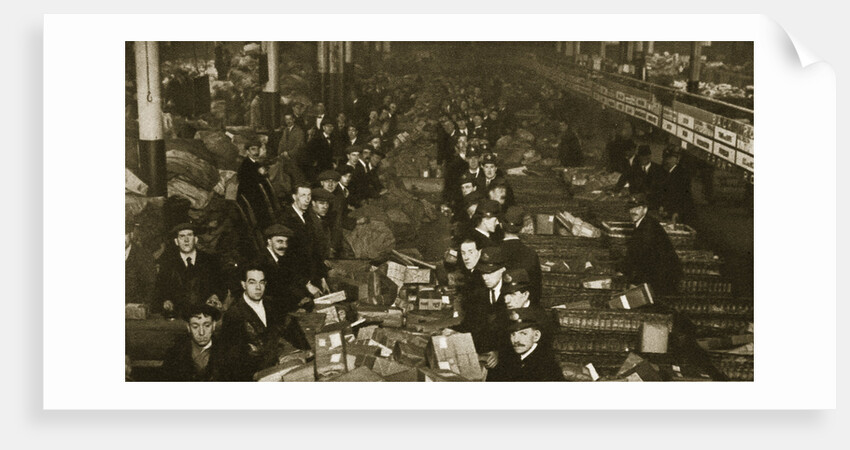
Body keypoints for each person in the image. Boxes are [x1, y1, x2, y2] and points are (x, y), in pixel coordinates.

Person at [221, 263, 310, 380]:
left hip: (280, 367)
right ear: (243, 284)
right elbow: (234, 359)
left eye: (261, 282)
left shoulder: (272, 304)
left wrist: (307, 351)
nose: (258, 287)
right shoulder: (234, 314)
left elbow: (291, 328)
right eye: (252, 282)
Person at [154, 223, 225, 318]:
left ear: (195, 239)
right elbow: (159, 290)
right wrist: (166, 301)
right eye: (182, 236)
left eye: (189, 235)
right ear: (176, 241)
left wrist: (215, 296)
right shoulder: (168, 264)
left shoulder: (210, 261)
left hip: (205, 316)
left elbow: (221, 285)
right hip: (177, 317)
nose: (186, 240)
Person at [160, 303, 240, 381]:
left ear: (214, 325)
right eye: (195, 327)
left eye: (207, 325)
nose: (201, 332)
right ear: (188, 327)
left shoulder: (228, 353)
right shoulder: (175, 354)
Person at [619, 199, 683, 295]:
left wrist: (633, 280)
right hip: (658, 272)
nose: (633, 211)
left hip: (663, 276)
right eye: (631, 208)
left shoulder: (648, 227)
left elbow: (643, 256)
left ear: (645, 210)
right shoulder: (644, 223)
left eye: (638, 208)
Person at [280, 184, 324, 298]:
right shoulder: (286, 219)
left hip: (309, 277)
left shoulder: (307, 217)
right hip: (295, 282)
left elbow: (314, 250)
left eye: (309, 195)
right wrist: (307, 284)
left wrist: (322, 278)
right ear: (294, 197)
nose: (307, 199)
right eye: (303, 195)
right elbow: (288, 259)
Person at [258, 224, 313, 314]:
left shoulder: (280, 259)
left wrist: (303, 297)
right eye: (280, 241)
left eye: (286, 242)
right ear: (269, 241)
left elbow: (289, 283)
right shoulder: (261, 262)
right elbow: (271, 294)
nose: (284, 246)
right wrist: (295, 305)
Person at [499, 207, 542, 307]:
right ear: (522, 228)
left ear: (501, 225)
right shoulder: (531, 254)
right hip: (524, 308)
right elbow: (537, 289)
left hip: (500, 308)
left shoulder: (494, 251)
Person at [505, 309, 564, 382]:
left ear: (536, 336)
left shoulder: (546, 366)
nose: (516, 340)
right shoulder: (510, 360)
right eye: (513, 334)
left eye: (523, 333)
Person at [237, 135, 275, 229]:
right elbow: (250, 181)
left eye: (257, 149)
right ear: (247, 152)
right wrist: (261, 174)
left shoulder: (255, 163)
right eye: (253, 149)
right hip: (251, 197)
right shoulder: (246, 164)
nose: (256, 152)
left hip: (258, 194)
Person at [656, 146, 696, 225]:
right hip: (672, 213)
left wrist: (674, 212)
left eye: (670, 158)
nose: (667, 160)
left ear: (677, 159)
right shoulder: (669, 172)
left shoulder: (681, 174)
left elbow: (683, 197)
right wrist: (663, 207)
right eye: (666, 158)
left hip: (680, 215)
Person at [308, 188, 334, 294]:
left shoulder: (319, 219)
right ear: (313, 203)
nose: (325, 207)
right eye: (321, 203)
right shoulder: (311, 222)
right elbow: (313, 252)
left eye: (327, 203)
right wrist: (322, 276)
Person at [125, 218, 155, 307]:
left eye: (123, 234)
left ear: (131, 234)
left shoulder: (144, 256)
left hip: (134, 308)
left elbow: (150, 287)